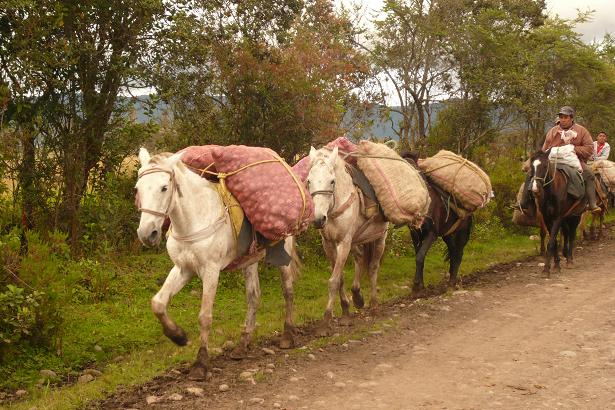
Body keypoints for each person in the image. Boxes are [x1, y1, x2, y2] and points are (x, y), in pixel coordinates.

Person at [521, 106, 600, 213]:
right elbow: (544, 149)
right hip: (552, 160)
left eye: (565, 117)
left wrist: (572, 149)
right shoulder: (552, 131)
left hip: (575, 161)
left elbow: (589, 148)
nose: (563, 119)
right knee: (532, 172)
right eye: (561, 117)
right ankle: (525, 202)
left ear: (571, 118)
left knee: (589, 173)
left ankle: (592, 203)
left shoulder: (582, 131)